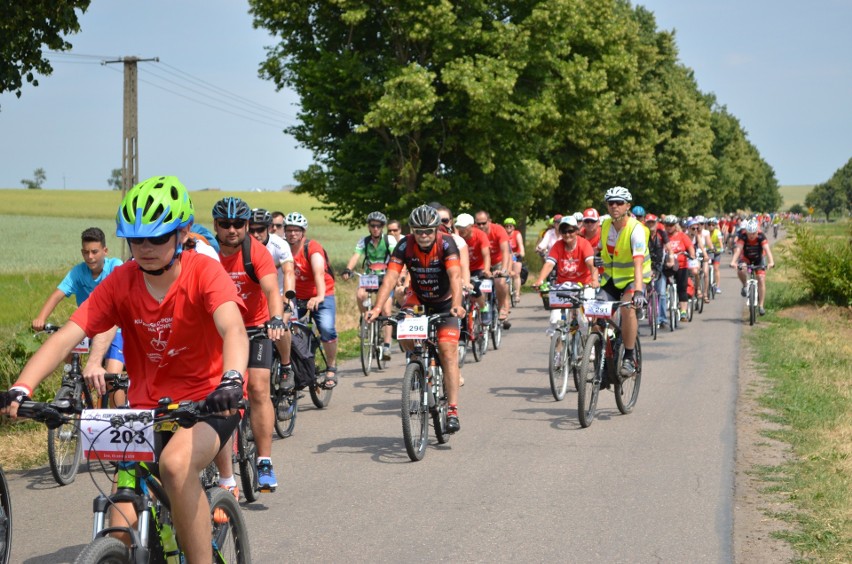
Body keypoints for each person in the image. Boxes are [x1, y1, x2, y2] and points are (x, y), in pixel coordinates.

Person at [3, 176, 248, 563]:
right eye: (136, 241)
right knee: (121, 518)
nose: (145, 249)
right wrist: (23, 387)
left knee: (175, 464)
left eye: (156, 238)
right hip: (146, 410)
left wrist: (232, 378)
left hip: (209, 402)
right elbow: (70, 333)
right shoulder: (121, 282)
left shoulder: (204, 273)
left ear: (182, 232)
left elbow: (233, 328)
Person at [213, 197, 291, 493]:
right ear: (216, 226)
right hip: (220, 331)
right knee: (218, 391)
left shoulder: (255, 253)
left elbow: (272, 288)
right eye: (225, 224)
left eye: (238, 224)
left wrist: (275, 318)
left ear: (247, 225)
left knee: (258, 388)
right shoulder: (208, 253)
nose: (231, 230)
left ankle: (265, 461)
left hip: (256, 327)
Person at [366, 205, 465, 432]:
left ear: (436, 229)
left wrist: (458, 305)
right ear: (412, 230)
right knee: (406, 336)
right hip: (417, 300)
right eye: (418, 231)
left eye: (428, 231)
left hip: (445, 302)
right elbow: (390, 278)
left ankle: (452, 410)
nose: (423, 236)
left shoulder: (447, 243)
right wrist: (378, 307)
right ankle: (419, 368)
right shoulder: (404, 245)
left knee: (447, 349)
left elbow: (455, 276)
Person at [31, 227, 125, 382]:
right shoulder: (78, 272)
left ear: (105, 251)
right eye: (86, 252)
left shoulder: (115, 266)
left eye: (95, 252)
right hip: (89, 326)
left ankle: (117, 406)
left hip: (114, 328)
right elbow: (57, 295)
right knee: (65, 346)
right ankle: (77, 386)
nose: (90, 257)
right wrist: (41, 318)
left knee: (112, 380)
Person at [597, 187, 650, 376]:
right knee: (597, 315)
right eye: (610, 203)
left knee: (628, 309)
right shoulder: (604, 225)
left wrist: (638, 291)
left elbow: (638, 262)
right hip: (611, 279)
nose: (614, 206)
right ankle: (600, 361)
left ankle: (628, 356)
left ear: (628, 206)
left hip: (633, 279)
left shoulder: (636, 230)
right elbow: (600, 248)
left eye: (619, 202)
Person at [283, 211, 339, 385]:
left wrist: (319, 296)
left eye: (296, 230)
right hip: (296, 296)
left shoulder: (312, 248)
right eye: (289, 230)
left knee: (327, 328)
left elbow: (319, 274)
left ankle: (331, 367)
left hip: (322, 292)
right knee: (284, 326)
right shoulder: (283, 248)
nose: (292, 233)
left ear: (303, 232)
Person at [341, 211, 398, 360]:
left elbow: (396, 258)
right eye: (373, 226)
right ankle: (364, 319)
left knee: (386, 309)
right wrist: (348, 269)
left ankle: (386, 346)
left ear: (383, 227)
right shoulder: (364, 241)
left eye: (379, 226)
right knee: (360, 295)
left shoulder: (389, 240)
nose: (375, 229)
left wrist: (399, 275)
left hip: (386, 276)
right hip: (370, 276)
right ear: (369, 227)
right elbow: (356, 256)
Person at [249, 207, 296, 382]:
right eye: (251, 229)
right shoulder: (242, 245)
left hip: (281, 293)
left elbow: (289, 272)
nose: (255, 234)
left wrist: (287, 299)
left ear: (269, 228)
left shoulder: (279, 245)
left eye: (260, 229)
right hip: (255, 299)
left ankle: (286, 366)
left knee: (281, 327)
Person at [533, 216, 599, 334]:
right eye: (564, 231)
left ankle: (590, 349)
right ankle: (558, 350)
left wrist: (594, 279)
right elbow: (549, 264)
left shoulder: (584, 244)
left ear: (577, 231)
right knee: (555, 320)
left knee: (585, 320)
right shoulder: (558, 245)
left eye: (571, 231)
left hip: (584, 285)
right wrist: (540, 280)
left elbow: (590, 263)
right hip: (563, 285)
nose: (567, 234)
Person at [475, 211, 513, 328]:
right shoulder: (474, 232)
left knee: (500, 282)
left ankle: (502, 306)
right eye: (478, 224)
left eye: (483, 223)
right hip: (482, 263)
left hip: (498, 261)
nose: (481, 226)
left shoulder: (498, 230)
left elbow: (505, 251)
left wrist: (504, 270)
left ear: (489, 221)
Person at [730, 219, 775, 315]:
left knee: (761, 279)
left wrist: (771, 262)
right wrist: (733, 262)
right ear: (746, 231)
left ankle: (761, 306)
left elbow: (767, 250)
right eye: (749, 233)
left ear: (757, 231)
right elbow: (738, 250)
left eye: (753, 233)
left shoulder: (761, 236)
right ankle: (745, 285)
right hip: (746, 258)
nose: (751, 235)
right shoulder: (743, 237)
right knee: (741, 270)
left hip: (759, 258)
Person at [454, 213, 492, 322]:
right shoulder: (456, 237)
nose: (461, 230)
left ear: (471, 226)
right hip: (462, 267)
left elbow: (486, 254)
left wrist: (487, 269)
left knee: (476, 287)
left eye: (464, 227)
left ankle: (484, 307)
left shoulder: (480, 235)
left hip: (477, 268)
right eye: (459, 227)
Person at [662, 215, 695, 321]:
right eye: (667, 225)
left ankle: (683, 312)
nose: (669, 227)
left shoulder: (682, 236)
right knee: (662, 288)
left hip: (681, 265)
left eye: (671, 225)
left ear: (675, 226)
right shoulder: (663, 236)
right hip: (668, 265)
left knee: (682, 288)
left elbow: (690, 247)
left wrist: (692, 255)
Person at [503, 217, 525, 302]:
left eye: (510, 226)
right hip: (506, 256)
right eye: (507, 226)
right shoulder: (503, 234)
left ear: (513, 227)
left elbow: (520, 244)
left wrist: (521, 253)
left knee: (516, 274)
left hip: (516, 255)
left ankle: (517, 294)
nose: (508, 228)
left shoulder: (517, 234)